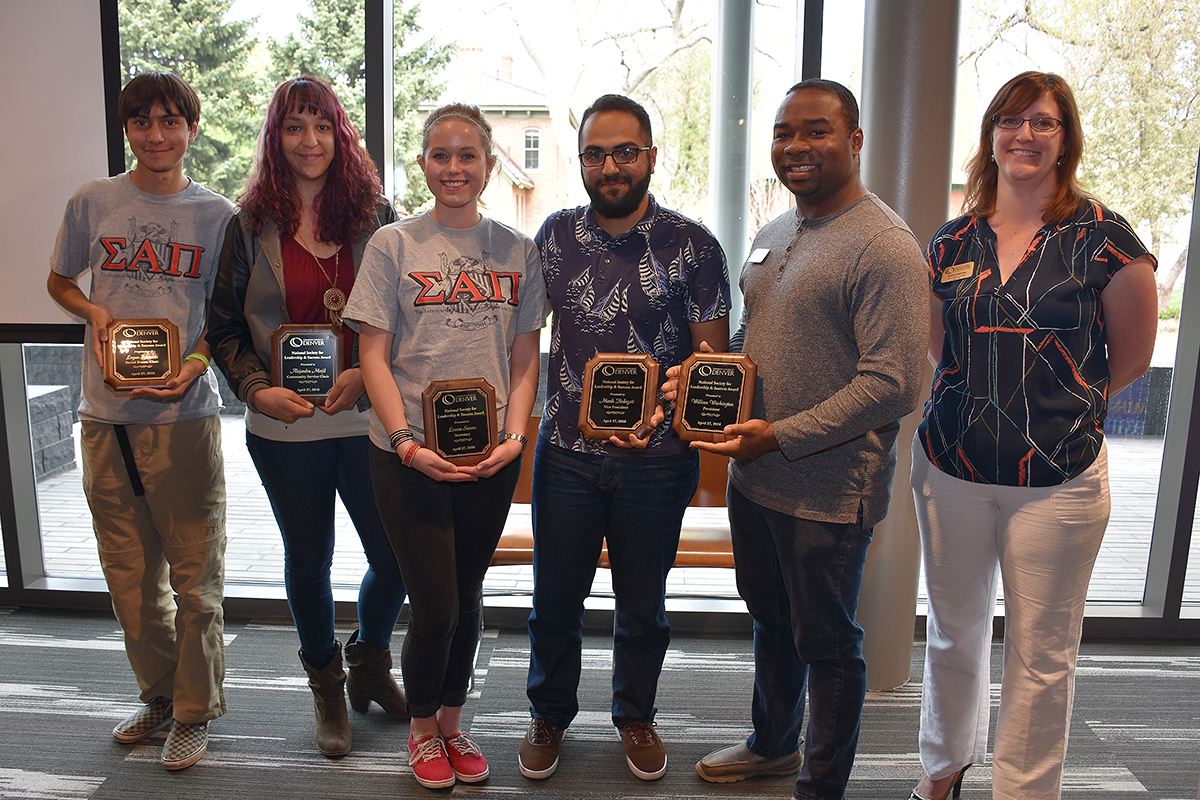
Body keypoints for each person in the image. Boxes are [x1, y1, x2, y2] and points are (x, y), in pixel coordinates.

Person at [909, 71, 1158, 800]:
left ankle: (1023, 791)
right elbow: (938, 349)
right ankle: (942, 769)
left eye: (1043, 123)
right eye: (1011, 120)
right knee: (953, 634)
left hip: (1060, 481)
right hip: (950, 467)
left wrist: (1056, 408)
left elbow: (1133, 356)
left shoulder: (1104, 238)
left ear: (1064, 139)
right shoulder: (952, 238)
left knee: (1041, 652)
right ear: (990, 135)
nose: (1025, 134)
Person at [684, 79, 929, 799]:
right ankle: (771, 746)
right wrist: (706, 377)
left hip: (828, 491)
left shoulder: (884, 246)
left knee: (827, 644)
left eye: (816, 130)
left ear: (855, 140)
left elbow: (893, 386)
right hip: (755, 481)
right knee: (770, 620)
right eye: (785, 132)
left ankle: (820, 786)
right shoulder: (773, 233)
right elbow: (752, 338)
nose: (796, 146)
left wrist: (780, 436)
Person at [519, 93, 730, 783]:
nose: (610, 165)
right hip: (568, 460)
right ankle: (548, 713)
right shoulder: (551, 237)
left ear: (650, 158)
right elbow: (521, 340)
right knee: (556, 599)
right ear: (581, 160)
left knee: (643, 604)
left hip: (659, 463)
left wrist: (667, 410)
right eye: (595, 153)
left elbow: (709, 366)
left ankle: (635, 715)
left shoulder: (693, 245)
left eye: (624, 152)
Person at [206, 76, 409, 759]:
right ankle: (326, 684)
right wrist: (256, 390)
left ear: (340, 135)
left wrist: (366, 372)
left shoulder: (378, 218)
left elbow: (409, 315)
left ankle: (371, 661)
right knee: (308, 557)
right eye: (294, 127)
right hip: (284, 426)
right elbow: (225, 327)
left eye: (321, 126)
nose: (309, 141)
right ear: (276, 138)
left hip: (369, 418)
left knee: (395, 556)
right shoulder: (247, 227)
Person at [344, 102, 545, 790]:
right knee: (434, 604)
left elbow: (525, 357)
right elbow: (373, 354)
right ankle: (422, 729)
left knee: (467, 592)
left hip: (487, 454)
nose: (454, 167)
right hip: (406, 456)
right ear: (422, 163)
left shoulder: (518, 251)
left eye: (468, 156)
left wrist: (515, 437)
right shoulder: (392, 246)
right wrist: (403, 440)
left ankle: (454, 723)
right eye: (440, 155)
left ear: (490, 166)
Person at [47, 71, 233, 771]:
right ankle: (158, 697)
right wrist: (95, 311)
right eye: (142, 122)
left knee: (194, 575)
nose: (156, 135)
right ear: (127, 129)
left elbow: (227, 313)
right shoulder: (92, 201)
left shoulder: (218, 215)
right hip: (105, 416)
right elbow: (61, 279)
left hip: (184, 417)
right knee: (129, 576)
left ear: (191, 128)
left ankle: (193, 712)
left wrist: (196, 361)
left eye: (170, 121)